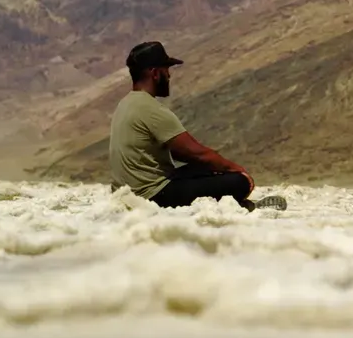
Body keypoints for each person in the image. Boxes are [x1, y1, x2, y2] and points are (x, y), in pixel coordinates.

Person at [108, 41, 285, 212]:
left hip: (127, 194)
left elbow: (180, 152)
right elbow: (197, 154)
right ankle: (245, 207)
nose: (169, 76)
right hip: (153, 196)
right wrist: (237, 170)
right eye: (166, 70)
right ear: (155, 73)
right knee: (239, 182)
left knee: (207, 170)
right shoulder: (151, 109)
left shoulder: (125, 104)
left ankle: (233, 205)